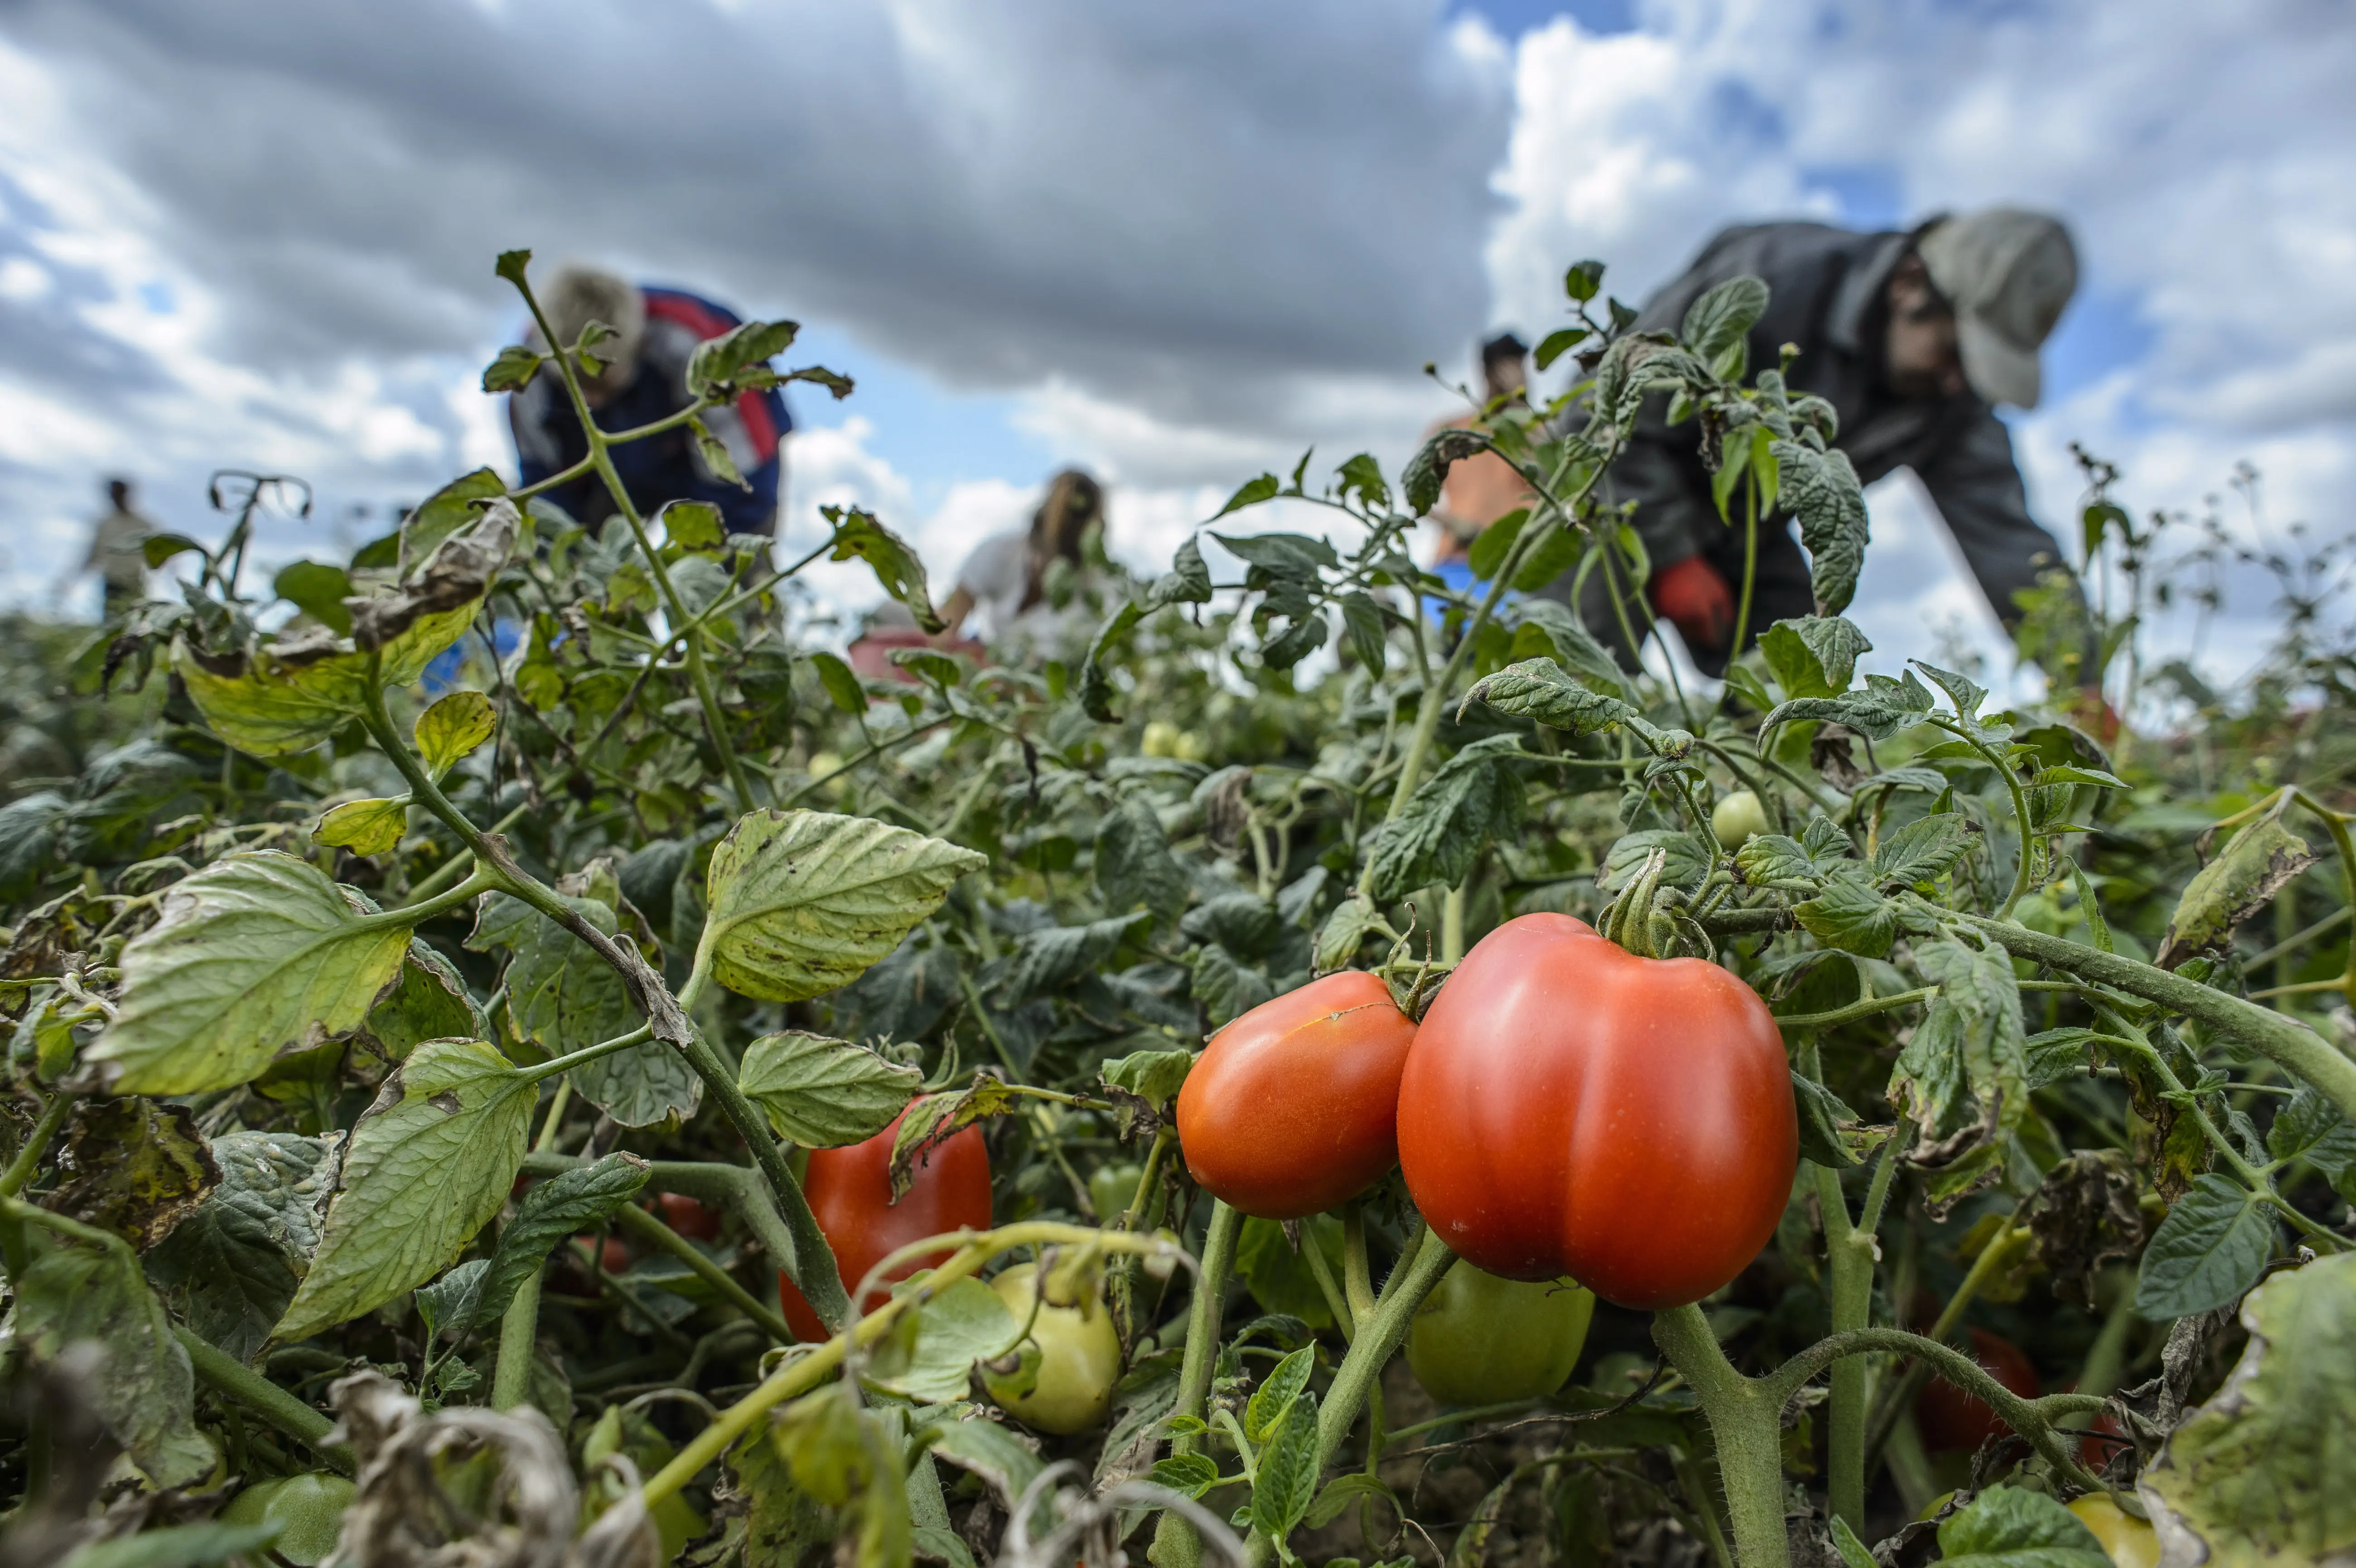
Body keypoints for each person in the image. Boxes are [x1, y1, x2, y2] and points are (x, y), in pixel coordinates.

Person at [1568, 209, 2089, 681]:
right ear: (1908, 285)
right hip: (1610, 487)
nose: (1958, 384)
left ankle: (1770, 773)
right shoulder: (1773, 279)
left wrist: (2082, 678)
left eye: (1974, 371)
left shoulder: (1949, 402)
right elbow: (1606, 412)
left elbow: (2009, 544)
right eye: (1954, 352)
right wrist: (1672, 556)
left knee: (1804, 680)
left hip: (1744, 527)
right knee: (1580, 668)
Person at [507, 265, 791, 536]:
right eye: (575, 386)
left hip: (727, 463)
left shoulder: (696, 343)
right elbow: (544, 488)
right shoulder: (529, 369)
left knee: (735, 564)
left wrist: (703, 563)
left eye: (601, 383)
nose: (592, 401)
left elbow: (744, 484)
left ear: (637, 344)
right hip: (602, 472)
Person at [1429, 333, 1539, 577]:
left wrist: (1522, 405)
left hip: (1519, 563)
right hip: (1458, 562)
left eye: (1520, 369)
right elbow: (1419, 499)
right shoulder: (1452, 430)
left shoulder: (1536, 431)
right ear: (1488, 373)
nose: (1517, 377)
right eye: (1508, 369)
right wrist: (1456, 525)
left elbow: (1552, 478)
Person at [84, 477, 154, 616]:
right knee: (112, 623)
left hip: (136, 582)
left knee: (136, 623)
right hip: (112, 583)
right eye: (113, 494)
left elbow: (158, 553)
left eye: (119, 493)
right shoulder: (105, 524)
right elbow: (93, 554)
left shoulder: (143, 524)